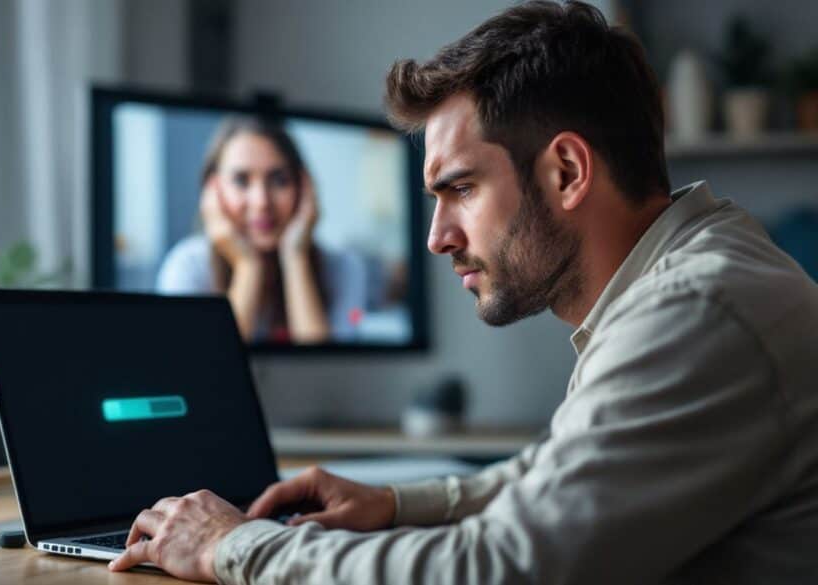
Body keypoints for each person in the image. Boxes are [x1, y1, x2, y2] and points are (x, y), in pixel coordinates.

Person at [112, 1, 818, 583]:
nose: (437, 237)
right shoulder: (685, 279)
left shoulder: (696, 312)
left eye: (460, 189)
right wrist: (392, 503)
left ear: (567, 171)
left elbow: (498, 567)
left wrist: (229, 546)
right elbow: (557, 478)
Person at [156, 116, 367, 344]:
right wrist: (249, 267)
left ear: (303, 187)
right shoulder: (187, 267)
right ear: (212, 190)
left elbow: (327, 375)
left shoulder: (344, 269)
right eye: (241, 181)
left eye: (279, 180)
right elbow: (207, 375)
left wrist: (295, 257)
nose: (261, 201)